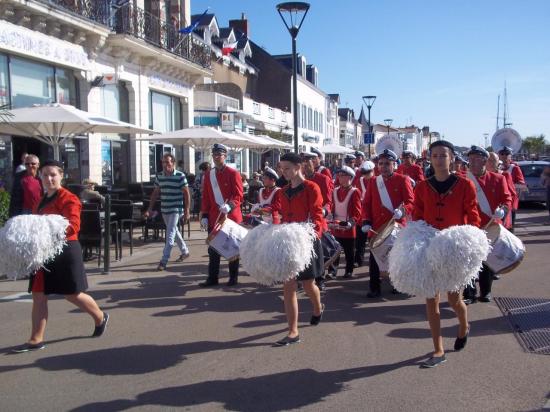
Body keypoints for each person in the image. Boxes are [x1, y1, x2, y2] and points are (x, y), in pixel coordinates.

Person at [12, 160, 108, 353]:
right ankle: (35, 339)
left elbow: (73, 226)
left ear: (61, 176)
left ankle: (100, 317)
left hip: (64, 250)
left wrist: (46, 229)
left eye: (53, 175)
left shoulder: (69, 198)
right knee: (38, 295)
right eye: (45, 175)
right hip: (43, 251)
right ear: (40, 177)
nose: (49, 178)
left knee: (72, 294)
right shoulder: (41, 199)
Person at [412, 140, 480, 368]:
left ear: (452, 158)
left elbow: (473, 217)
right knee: (431, 299)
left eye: (444, 155)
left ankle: (463, 325)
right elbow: (417, 218)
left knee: (454, 299)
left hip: (453, 250)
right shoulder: (422, 187)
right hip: (430, 249)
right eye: (435, 155)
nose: (439, 159)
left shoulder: (464, 185)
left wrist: (468, 242)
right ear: (429, 159)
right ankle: (438, 349)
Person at [274, 152, 324, 346]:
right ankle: (293, 331)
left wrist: (312, 236)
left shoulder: (312, 187)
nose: (283, 172)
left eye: (287, 168)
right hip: (289, 242)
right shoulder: (282, 191)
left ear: (298, 167)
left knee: (308, 284)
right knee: (288, 286)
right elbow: (279, 214)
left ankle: (318, 308)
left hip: (306, 242)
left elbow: (318, 215)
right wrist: (271, 220)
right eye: (281, 168)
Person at [362, 149, 414, 298]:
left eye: (387, 164)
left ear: (394, 165)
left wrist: (403, 211)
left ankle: (397, 284)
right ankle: (374, 287)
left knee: (396, 257)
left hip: (395, 226)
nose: (383, 167)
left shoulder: (403, 180)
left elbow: (411, 202)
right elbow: (366, 204)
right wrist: (366, 220)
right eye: (381, 164)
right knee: (374, 259)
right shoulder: (373, 181)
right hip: (377, 227)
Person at [462, 146, 512, 304]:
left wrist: (503, 210)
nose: (473, 162)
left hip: (490, 225)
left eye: (477, 159)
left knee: (486, 261)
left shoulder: (498, 179)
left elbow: (507, 199)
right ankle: (469, 294)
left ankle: (485, 291)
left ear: (485, 160)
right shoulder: (463, 179)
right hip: (469, 225)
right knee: (469, 261)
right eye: (470, 159)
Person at [199, 143, 243, 287]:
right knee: (213, 249)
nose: (216, 157)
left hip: (230, 217)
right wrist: (204, 215)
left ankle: (233, 278)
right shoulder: (208, 175)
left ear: (225, 156)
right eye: (214, 155)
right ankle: (213, 278)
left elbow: (239, 195)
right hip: (214, 216)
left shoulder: (233, 173)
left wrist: (229, 205)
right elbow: (205, 197)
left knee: (232, 248)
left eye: (219, 155)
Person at [144, 153, 191, 271]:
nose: (165, 165)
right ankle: (185, 251)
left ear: (173, 163)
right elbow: (155, 193)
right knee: (174, 231)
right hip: (165, 208)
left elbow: (186, 193)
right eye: (163, 162)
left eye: (168, 162)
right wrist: (149, 208)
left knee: (169, 235)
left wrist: (187, 210)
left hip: (176, 208)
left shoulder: (180, 176)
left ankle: (164, 261)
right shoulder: (159, 176)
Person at [328, 166, 362, 278]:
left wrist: (351, 223)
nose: (339, 177)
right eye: (339, 175)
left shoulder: (355, 191)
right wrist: (330, 216)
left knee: (349, 251)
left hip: (348, 226)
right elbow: (333, 207)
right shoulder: (335, 190)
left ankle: (349, 270)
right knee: (334, 250)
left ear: (349, 177)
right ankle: (332, 271)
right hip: (336, 224)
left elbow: (357, 211)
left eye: (342, 175)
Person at [498, 146, 526, 231]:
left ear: (510, 156)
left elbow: (521, 184)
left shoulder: (514, 168)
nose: (504, 156)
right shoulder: (495, 168)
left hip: (511, 201)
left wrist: (507, 185)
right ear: (499, 156)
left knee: (509, 226)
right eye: (502, 154)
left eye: (507, 154)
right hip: (498, 201)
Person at [354, 160, 375, 267]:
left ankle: (374, 261)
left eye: (367, 172)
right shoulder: (359, 181)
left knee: (374, 241)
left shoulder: (377, 181)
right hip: (362, 215)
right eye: (364, 173)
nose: (365, 175)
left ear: (372, 171)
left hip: (374, 214)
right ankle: (358, 260)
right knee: (360, 241)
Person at [487, 152, 515, 229]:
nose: (490, 163)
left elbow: (511, 194)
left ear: (498, 162)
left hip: (500, 215)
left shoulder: (504, 175)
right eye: (489, 160)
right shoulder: (481, 176)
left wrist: (504, 210)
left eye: (493, 160)